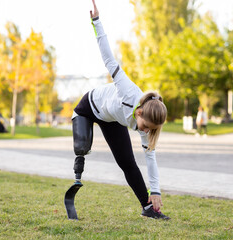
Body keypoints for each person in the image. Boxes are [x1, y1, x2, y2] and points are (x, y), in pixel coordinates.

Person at [69, 0, 170, 220]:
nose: (144, 131)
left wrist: (156, 191)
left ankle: (147, 208)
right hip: (89, 106)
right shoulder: (127, 91)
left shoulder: (146, 122)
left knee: (127, 163)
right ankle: (77, 170)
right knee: (82, 146)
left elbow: (150, 158)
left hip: (111, 119)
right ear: (140, 112)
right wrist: (96, 21)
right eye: (145, 127)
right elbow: (108, 57)